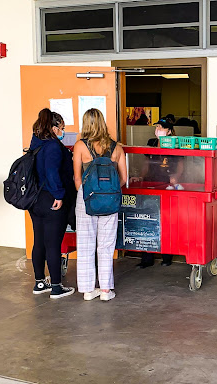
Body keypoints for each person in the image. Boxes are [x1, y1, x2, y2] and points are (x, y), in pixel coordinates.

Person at [74, 108, 127, 301]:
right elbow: (123, 179)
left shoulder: (80, 146)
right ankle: (105, 290)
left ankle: (88, 290)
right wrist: (107, 192)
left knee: (86, 244)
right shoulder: (117, 148)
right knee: (106, 245)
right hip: (110, 200)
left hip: (87, 199)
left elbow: (77, 179)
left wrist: (89, 193)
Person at [28, 108, 75, 299]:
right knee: (53, 243)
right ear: (54, 127)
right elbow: (52, 173)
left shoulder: (35, 143)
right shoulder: (54, 147)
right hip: (51, 199)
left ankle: (40, 282)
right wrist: (59, 195)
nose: (63, 131)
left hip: (34, 199)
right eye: (62, 128)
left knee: (39, 240)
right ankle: (56, 286)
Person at [133, 118, 183, 268]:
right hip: (151, 184)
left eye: (161, 127)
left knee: (166, 220)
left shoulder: (176, 143)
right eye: (157, 127)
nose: (158, 129)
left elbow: (180, 166)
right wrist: (141, 177)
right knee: (147, 220)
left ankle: (167, 256)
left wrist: (175, 179)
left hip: (167, 186)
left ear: (169, 131)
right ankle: (146, 258)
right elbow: (146, 164)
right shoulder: (152, 142)